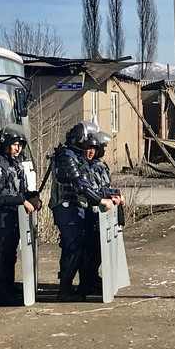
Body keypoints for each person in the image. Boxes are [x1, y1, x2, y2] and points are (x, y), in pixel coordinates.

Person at [50, 121, 113, 301]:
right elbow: (80, 185)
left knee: (81, 248)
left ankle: (79, 285)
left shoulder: (77, 157)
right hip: (66, 207)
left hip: (77, 208)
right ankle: (64, 290)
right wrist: (100, 200)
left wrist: (107, 195)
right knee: (73, 248)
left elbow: (87, 183)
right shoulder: (67, 157)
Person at [0, 124, 42, 300]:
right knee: (3, 254)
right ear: (5, 144)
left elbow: (21, 189)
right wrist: (22, 200)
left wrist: (33, 197)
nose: (18, 148)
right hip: (2, 215)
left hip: (14, 215)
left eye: (20, 145)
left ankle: (9, 286)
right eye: (14, 144)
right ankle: (0, 290)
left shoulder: (15, 163)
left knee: (11, 253)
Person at [81, 131, 123, 296]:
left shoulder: (96, 165)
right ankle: (86, 282)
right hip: (89, 212)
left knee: (97, 250)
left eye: (95, 148)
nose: (92, 151)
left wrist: (115, 194)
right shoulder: (83, 166)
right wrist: (104, 197)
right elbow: (90, 190)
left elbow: (103, 187)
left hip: (99, 212)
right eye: (89, 147)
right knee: (89, 251)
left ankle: (92, 279)